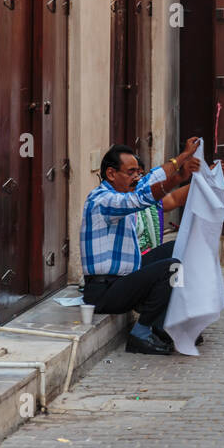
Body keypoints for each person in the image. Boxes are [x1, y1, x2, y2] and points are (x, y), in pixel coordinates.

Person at [81, 138, 201, 356]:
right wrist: (176, 179)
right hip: (105, 291)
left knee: (179, 248)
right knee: (171, 268)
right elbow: (139, 199)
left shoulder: (125, 189)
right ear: (111, 174)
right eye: (131, 172)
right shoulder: (103, 199)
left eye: (138, 172)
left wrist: (185, 156)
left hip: (125, 277)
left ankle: (166, 322)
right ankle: (141, 332)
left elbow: (155, 175)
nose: (137, 177)